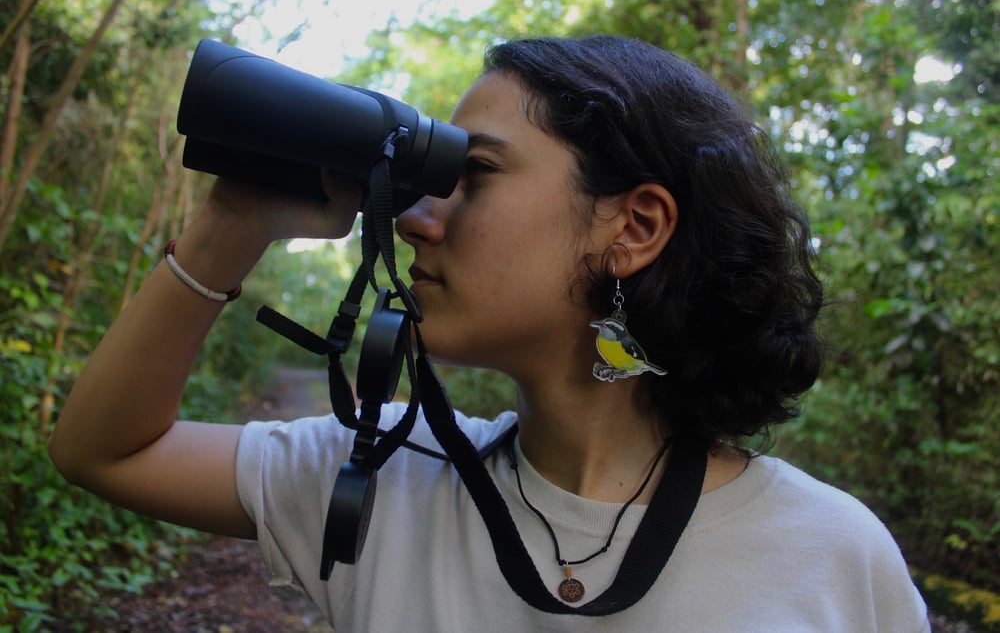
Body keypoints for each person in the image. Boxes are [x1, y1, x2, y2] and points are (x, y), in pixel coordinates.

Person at [49, 35, 929, 631]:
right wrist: (235, 218)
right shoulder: (378, 479)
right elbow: (105, 451)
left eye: (474, 173)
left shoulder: (835, 558)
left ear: (634, 227)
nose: (419, 220)